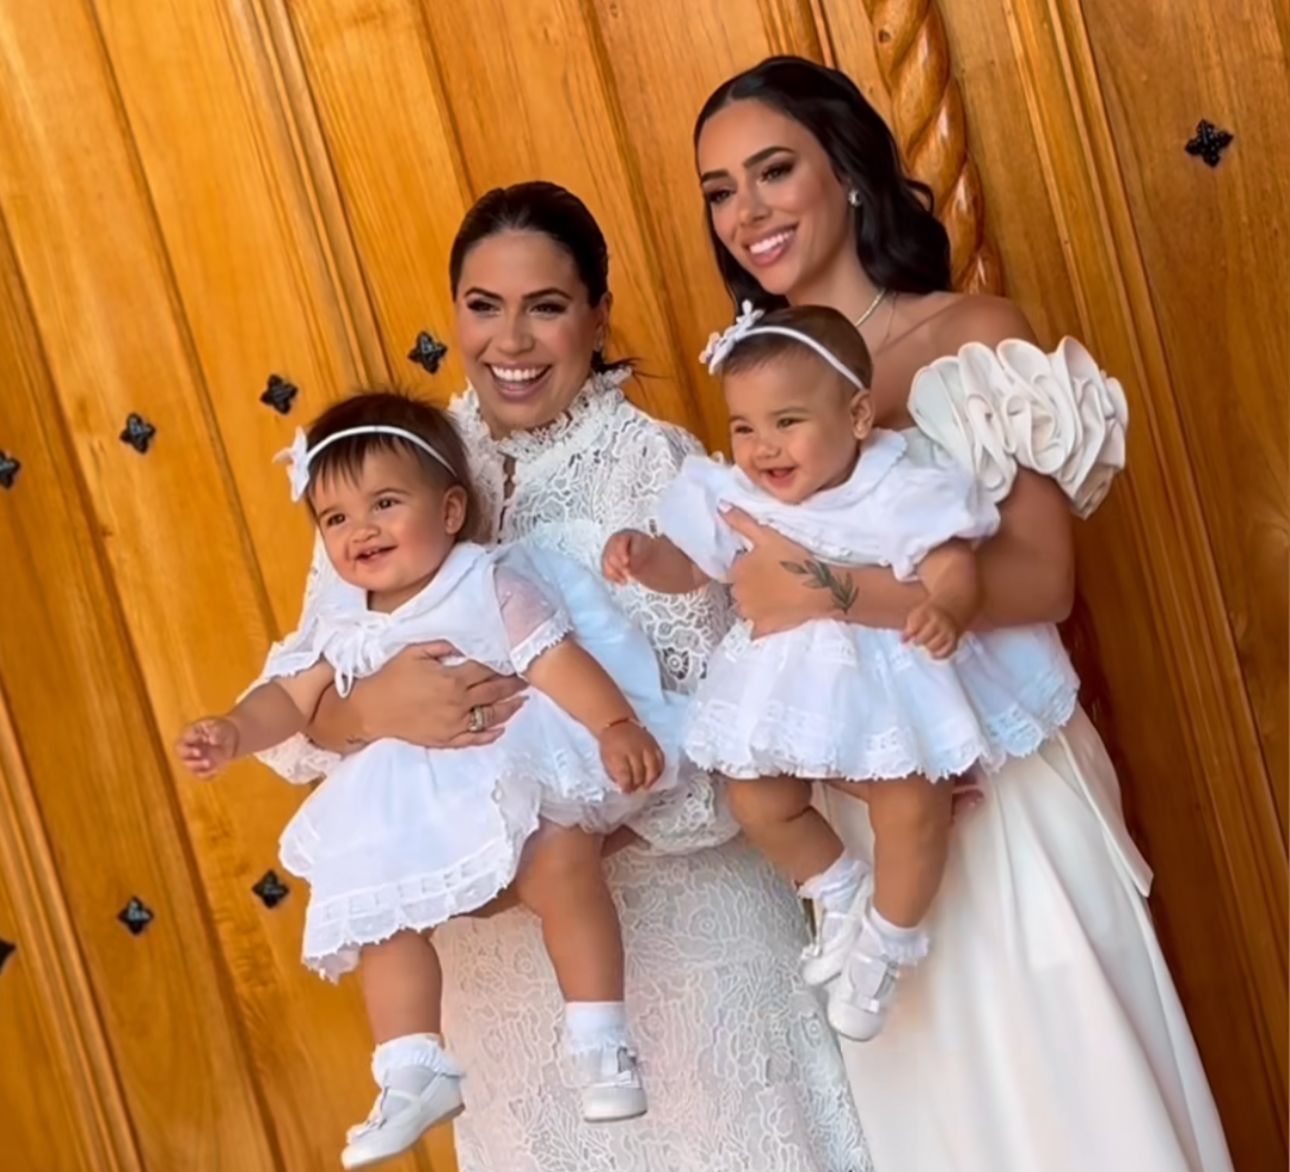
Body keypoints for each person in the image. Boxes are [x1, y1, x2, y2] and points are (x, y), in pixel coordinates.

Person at [690, 55, 1233, 1172]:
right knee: (941, 1110)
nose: (745, 212)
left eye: (771, 170)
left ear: (847, 173)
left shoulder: (968, 334)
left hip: (1004, 777)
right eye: (718, 190)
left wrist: (840, 592)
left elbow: (1043, 579)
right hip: (864, 807)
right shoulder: (761, 391)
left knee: (1069, 1088)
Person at [258, 182, 870, 1172]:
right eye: (483, 305)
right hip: (500, 995)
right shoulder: (385, 472)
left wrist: (544, 849)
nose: (513, 339)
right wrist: (366, 713)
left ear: (596, 315)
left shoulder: (663, 470)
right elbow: (293, 719)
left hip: (682, 947)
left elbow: (744, 736)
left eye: (545, 305)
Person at [178, 390, 689, 1166]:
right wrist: (233, 731)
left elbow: (554, 661)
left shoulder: (485, 582)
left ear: (451, 511)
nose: (361, 531)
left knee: (562, 863)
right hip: (414, 795)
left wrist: (613, 725)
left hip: (513, 768)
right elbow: (289, 699)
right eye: (336, 518)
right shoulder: (343, 623)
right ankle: (412, 1066)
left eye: (385, 503)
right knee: (381, 913)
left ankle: (601, 1037)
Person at [606, 301, 1091, 1043]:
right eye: (744, 427)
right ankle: (837, 886)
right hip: (791, 681)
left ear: (859, 416)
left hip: (884, 678)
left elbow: (952, 563)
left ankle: (890, 941)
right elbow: (694, 565)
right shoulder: (732, 493)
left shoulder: (892, 486)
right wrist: (647, 559)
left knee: (912, 807)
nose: (762, 447)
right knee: (756, 795)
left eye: (787, 422)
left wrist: (949, 608)